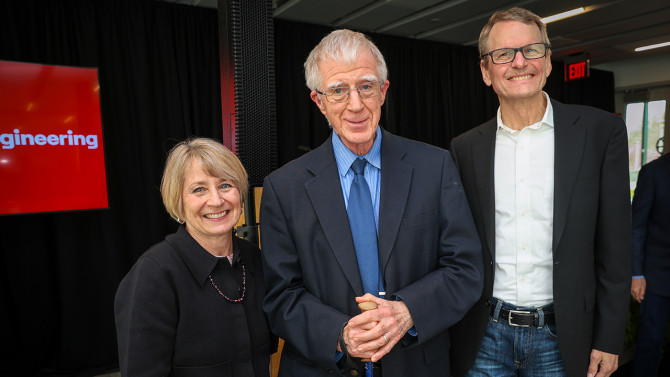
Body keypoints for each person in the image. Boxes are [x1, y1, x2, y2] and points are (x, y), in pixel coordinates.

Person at [259, 29, 483, 377]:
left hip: (417, 365)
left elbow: (465, 269)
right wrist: (340, 335)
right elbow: (280, 296)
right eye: (338, 90)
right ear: (318, 101)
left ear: (383, 91)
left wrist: (407, 311)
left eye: (366, 86)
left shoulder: (434, 167)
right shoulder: (283, 188)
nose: (355, 104)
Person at [449, 7, 631, 377]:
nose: (519, 62)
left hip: (564, 337)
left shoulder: (598, 132)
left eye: (531, 50)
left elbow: (616, 245)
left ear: (548, 62)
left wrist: (610, 338)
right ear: (486, 72)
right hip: (484, 335)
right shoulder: (465, 148)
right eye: (503, 54)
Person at [114, 137, 276, 377]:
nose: (216, 200)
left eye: (225, 185)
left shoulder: (254, 259)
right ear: (178, 201)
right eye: (199, 189)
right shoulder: (154, 275)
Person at [630, 152, 670, 377]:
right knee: (650, 343)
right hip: (656, 277)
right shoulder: (653, 172)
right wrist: (636, 274)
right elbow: (637, 227)